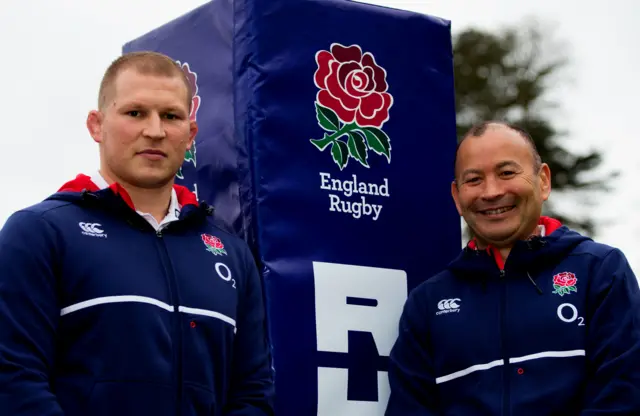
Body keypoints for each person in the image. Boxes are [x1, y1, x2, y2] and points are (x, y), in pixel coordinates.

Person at [0, 51, 274, 415]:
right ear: (96, 125)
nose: (155, 131)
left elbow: (253, 393)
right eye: (135, 113)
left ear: (190, 134)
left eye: (171, 116)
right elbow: (13, 378)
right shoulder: (40, 232)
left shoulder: (232, 253)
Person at [385, 121, 640, 415]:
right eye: (474, 180)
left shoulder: (600, 271)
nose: (491, 192)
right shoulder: (427, 303)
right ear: (456, 197)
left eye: (506, 173)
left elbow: (624, 395)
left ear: (543, 181)